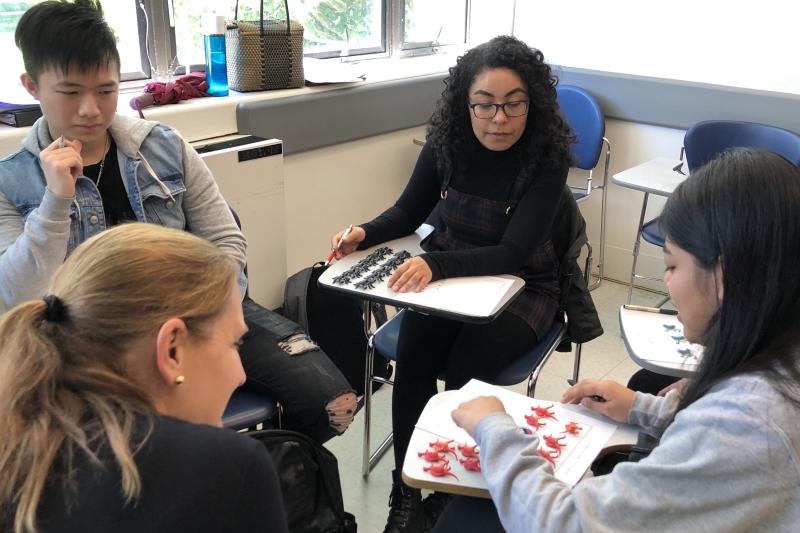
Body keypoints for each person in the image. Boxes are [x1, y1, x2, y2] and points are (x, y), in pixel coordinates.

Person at [0, 0, 355, 443]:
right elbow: (21, 297)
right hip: (96, 347)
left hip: (200, 312)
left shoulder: (163, 146)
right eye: (71, 92)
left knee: (333, 402)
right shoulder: (11, 180)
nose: (91, 109)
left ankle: (262, 479)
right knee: (149, 442)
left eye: (106, 91)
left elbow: (226, 240)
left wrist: (201, 321)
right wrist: (55, 201)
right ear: (32, 86)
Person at [438, 149, 800, 532]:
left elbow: (562, 524)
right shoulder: (776, 365)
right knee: (645, 383)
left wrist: (493, 429)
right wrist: (642, 408)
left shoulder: (749, 419)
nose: (666, 282)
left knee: (465, 517)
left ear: (723, 278)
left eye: (672, 265)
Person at [330, 36, 579, 532]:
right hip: (450, 279)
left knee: (470, 359)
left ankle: (449, 486)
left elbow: (512, 253)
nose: (499, 119)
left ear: (534, 104)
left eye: (513, 105)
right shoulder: (447, 146)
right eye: (484, 105)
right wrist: (365, 232)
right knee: (418, 348)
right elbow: (407, 211)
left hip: (523, 286)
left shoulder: (547, 161)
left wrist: (437, 266)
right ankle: (408, 491)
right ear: (466, 103)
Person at [0, 223, 289, 533]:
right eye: (234, 343)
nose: (241, 375)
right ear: (172, 349)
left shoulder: (19, 450)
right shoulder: (228, 467)